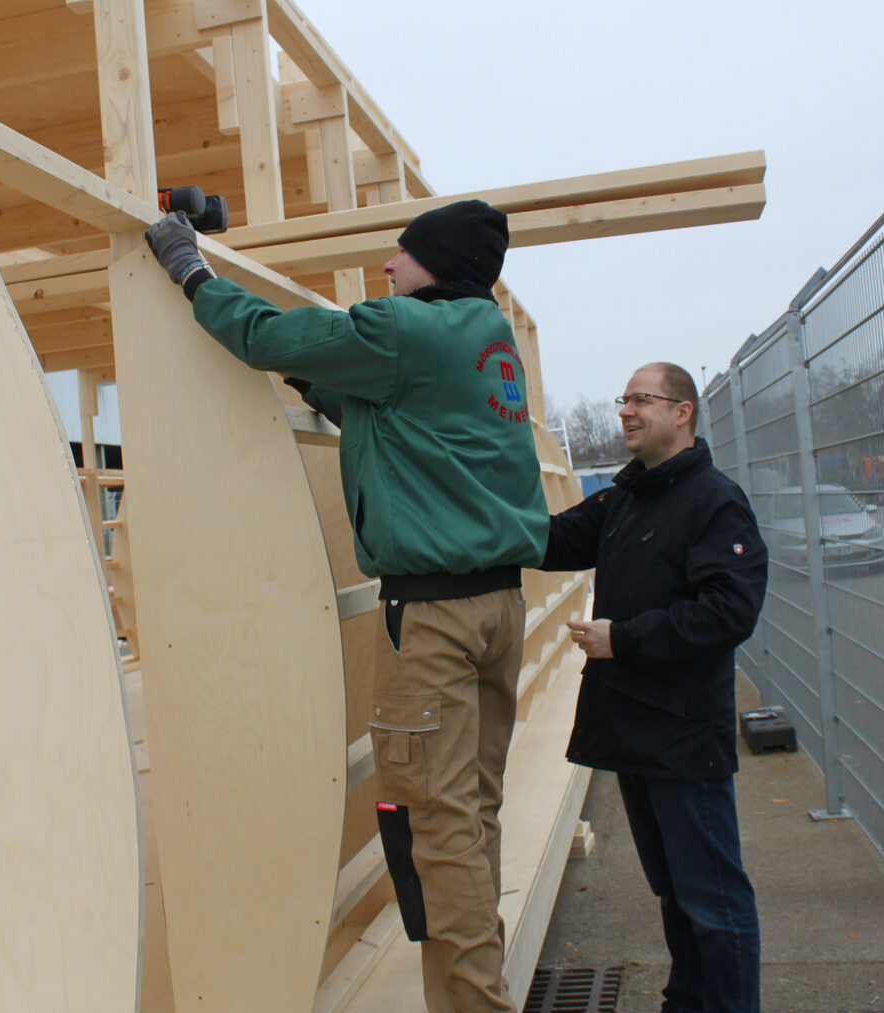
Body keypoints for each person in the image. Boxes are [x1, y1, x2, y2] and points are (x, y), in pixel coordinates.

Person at [145, 200, 547, 1013]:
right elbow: (399, 418)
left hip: (434, 622)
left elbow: (265, 334)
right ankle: (475, 987)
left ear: (434, 266)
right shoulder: (485, 339)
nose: (390, 269)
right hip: (498, 609)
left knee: (436, 832)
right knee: (471, 813)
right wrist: (322, 380)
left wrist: (191, 269)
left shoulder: (403, 330)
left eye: (402, 256)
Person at [541, 362, 768, 1013]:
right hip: (636, 733)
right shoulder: (628, 496)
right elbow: (553, 538)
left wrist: (624, 638)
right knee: (675, 891)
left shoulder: (714, 502)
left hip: (683, 735)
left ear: (682, 412)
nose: (627, 411)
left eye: (643, 399)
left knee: (713, 899)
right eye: (625, 399)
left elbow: (729, 612)